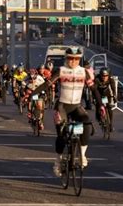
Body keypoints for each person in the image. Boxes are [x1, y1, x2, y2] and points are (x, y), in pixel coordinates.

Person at [30, 47, 105, 176]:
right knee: (61, 135)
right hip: (62, 107)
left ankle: (82, 154)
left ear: (79, 60)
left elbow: (93, 89)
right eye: (70, 58)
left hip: (76, 106)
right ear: (66, 58)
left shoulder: (84, 72)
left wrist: (101, 105)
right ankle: (58, 161)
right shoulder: (61, 71)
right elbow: (47, 84)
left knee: (87, 123)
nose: (73, 61)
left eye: (76, 59)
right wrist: (33, 94)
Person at [94, 67, 117, 132]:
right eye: (103, 76)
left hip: (107, 94)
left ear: (108, 75)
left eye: (106, 76)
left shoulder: (110, 79)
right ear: (100, 75)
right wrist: (94, 98)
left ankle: (111, 124)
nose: (104, 77)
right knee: (98, 106)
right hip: (98, 94)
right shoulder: (97, 79)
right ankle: (99, 118)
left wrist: (114, 96)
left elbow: (113, 88)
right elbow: (94, 90)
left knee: (109, 107)